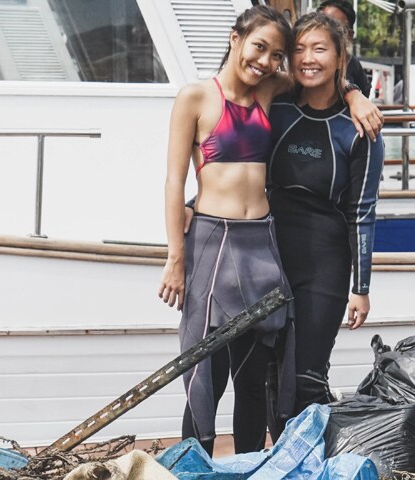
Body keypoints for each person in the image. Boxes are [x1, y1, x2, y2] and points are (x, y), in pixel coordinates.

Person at [158, 6, 383, 455]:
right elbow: (173, 178)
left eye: (274, 54)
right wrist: (175, 257)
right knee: (204, 377)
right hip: (211, 244)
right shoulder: (196, 97)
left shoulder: (270, 92)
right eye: (260, 47)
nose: (265, 61)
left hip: (261, 245)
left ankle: (248, 466)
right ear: (235, 37)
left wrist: (356, 93)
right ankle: (193, 467)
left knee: (254, 381)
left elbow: (323, 75)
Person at [267, 12, 384, 422]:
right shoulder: (276, 109)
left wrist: (361, 286)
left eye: (319, 48)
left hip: (324, 266)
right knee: (268, 378)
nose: (308, 58)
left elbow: (362, 211)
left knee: (306, 378)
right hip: (269, 256)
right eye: (299, 49)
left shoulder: (358, 127)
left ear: (339, 56)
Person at [318, 0, 371, 98]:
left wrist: (353, 96)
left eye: (336, 29)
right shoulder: (300, 58)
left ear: (349, 35)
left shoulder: (352, 64)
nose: (326, 33)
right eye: (320, 25)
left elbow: (364, 94)